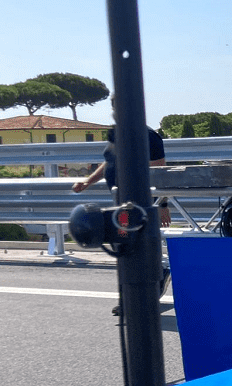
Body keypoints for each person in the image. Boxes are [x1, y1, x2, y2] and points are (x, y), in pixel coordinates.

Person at [73, 126, 172, 312]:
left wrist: (162, 204)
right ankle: (140, 292)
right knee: (122, 245)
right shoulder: (118, 134)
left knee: (131, 245)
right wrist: (88, 181)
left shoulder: (148, 136)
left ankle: (138, 298)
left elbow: (160, 171)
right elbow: (109, 162)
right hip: (119, 200)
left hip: (139, 203)